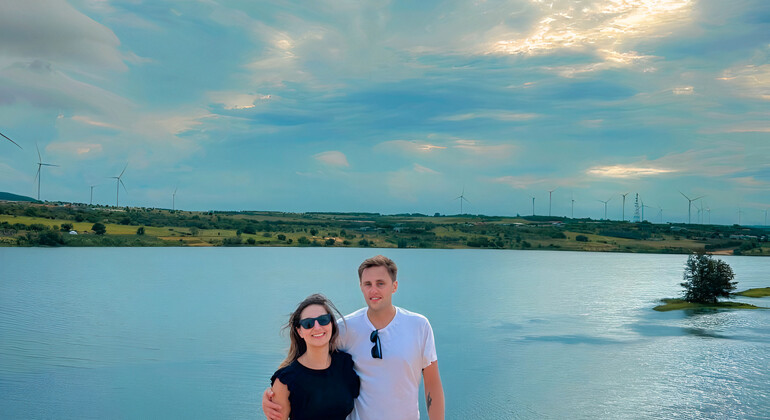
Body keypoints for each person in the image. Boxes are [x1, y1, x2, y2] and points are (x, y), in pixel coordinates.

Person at [264, 255, 445, 420]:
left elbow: (433, 384)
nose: (373, 290)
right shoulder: (344, 328)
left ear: (394, 286)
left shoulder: (419, 326)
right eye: (368, 284)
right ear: (361, 287)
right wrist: (275, 394)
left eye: (380, 283)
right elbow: (310, 361)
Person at [269, 294, 360, 420]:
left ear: (331, 324)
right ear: (299, 331)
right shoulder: (286, 380)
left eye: (323, 320)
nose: (317, 327)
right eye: (308, 323)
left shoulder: (344, 364)